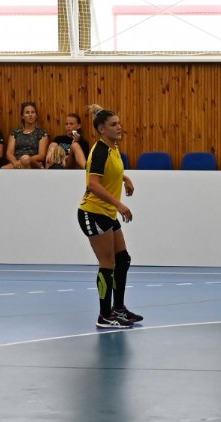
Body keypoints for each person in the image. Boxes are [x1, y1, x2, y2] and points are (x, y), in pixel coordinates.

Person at [78, 105, 142, 329]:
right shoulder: (100, 151)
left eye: (119, 123)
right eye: (114, 124)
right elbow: (93, 184)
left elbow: (109, 171)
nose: (119, 127)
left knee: (122, 260)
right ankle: (104, 316)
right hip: (93, 213)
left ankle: (119, 308)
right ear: (102, 129)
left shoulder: (112, 148)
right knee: (107, 264)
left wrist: (125, 178)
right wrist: (119, 204)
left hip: (106, 213)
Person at [2, 101, 49, 169]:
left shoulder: (42, 133)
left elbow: (41, 155)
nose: (30, 115)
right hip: (17, 162)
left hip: (33, 162)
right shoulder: (15, 133)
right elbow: (9, 153)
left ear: (36, 115)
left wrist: (25, 160)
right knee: (3, 169)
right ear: (22, 116)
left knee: (25, 159)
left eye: (33, 112)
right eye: (27, 112)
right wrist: (15, 162)